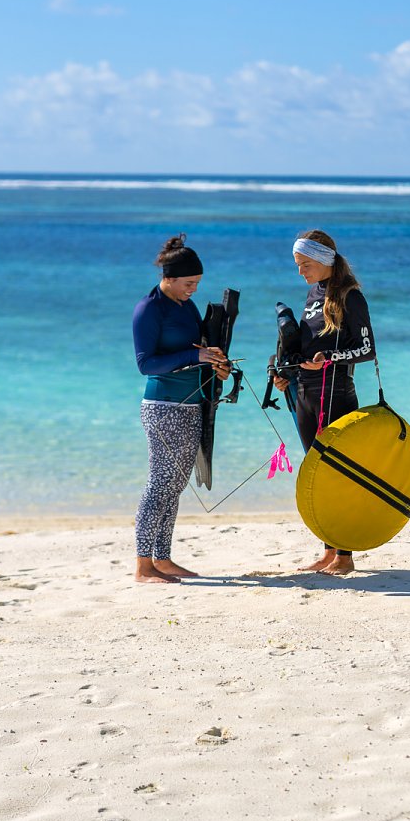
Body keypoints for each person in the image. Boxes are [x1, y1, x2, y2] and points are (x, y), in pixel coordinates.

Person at [274, 229, 377, 576]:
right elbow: (308, 343)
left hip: (336, 396)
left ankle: (345, 556)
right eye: (298, 264)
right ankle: (329, 550)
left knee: (338, 477)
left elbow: (366, 350)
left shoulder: (350, 297)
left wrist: (328, 358)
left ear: (322, 260)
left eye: (304, 264)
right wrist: (285, 371)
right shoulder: (312, 293)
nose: (300, 271)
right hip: (304, 394)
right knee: (317, 475)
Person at [133, 234, 230, 583]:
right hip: (163, 407)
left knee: (175, 486)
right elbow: (146, 364)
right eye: (189, 283)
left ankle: (164, 558)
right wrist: (196, 356)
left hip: (191, 405)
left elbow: (198, 350)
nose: (193, 289)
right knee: (159, 484)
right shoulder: (149, 308)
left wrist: (216, 364)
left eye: (198, 284)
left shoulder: (185, 306)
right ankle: (143, 566)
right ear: (169, 277)